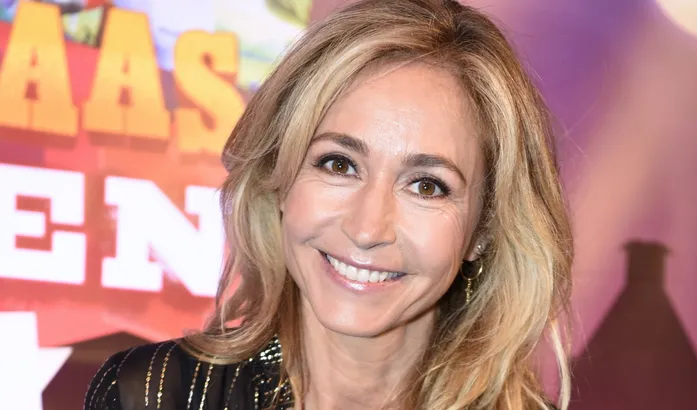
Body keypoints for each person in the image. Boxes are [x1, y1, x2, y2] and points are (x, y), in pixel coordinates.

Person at [84, 0, 573, 409]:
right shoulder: (154, 395)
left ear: (484, 229)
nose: (367, 228)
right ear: (280, 177)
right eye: (339, 164)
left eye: (426, 186)